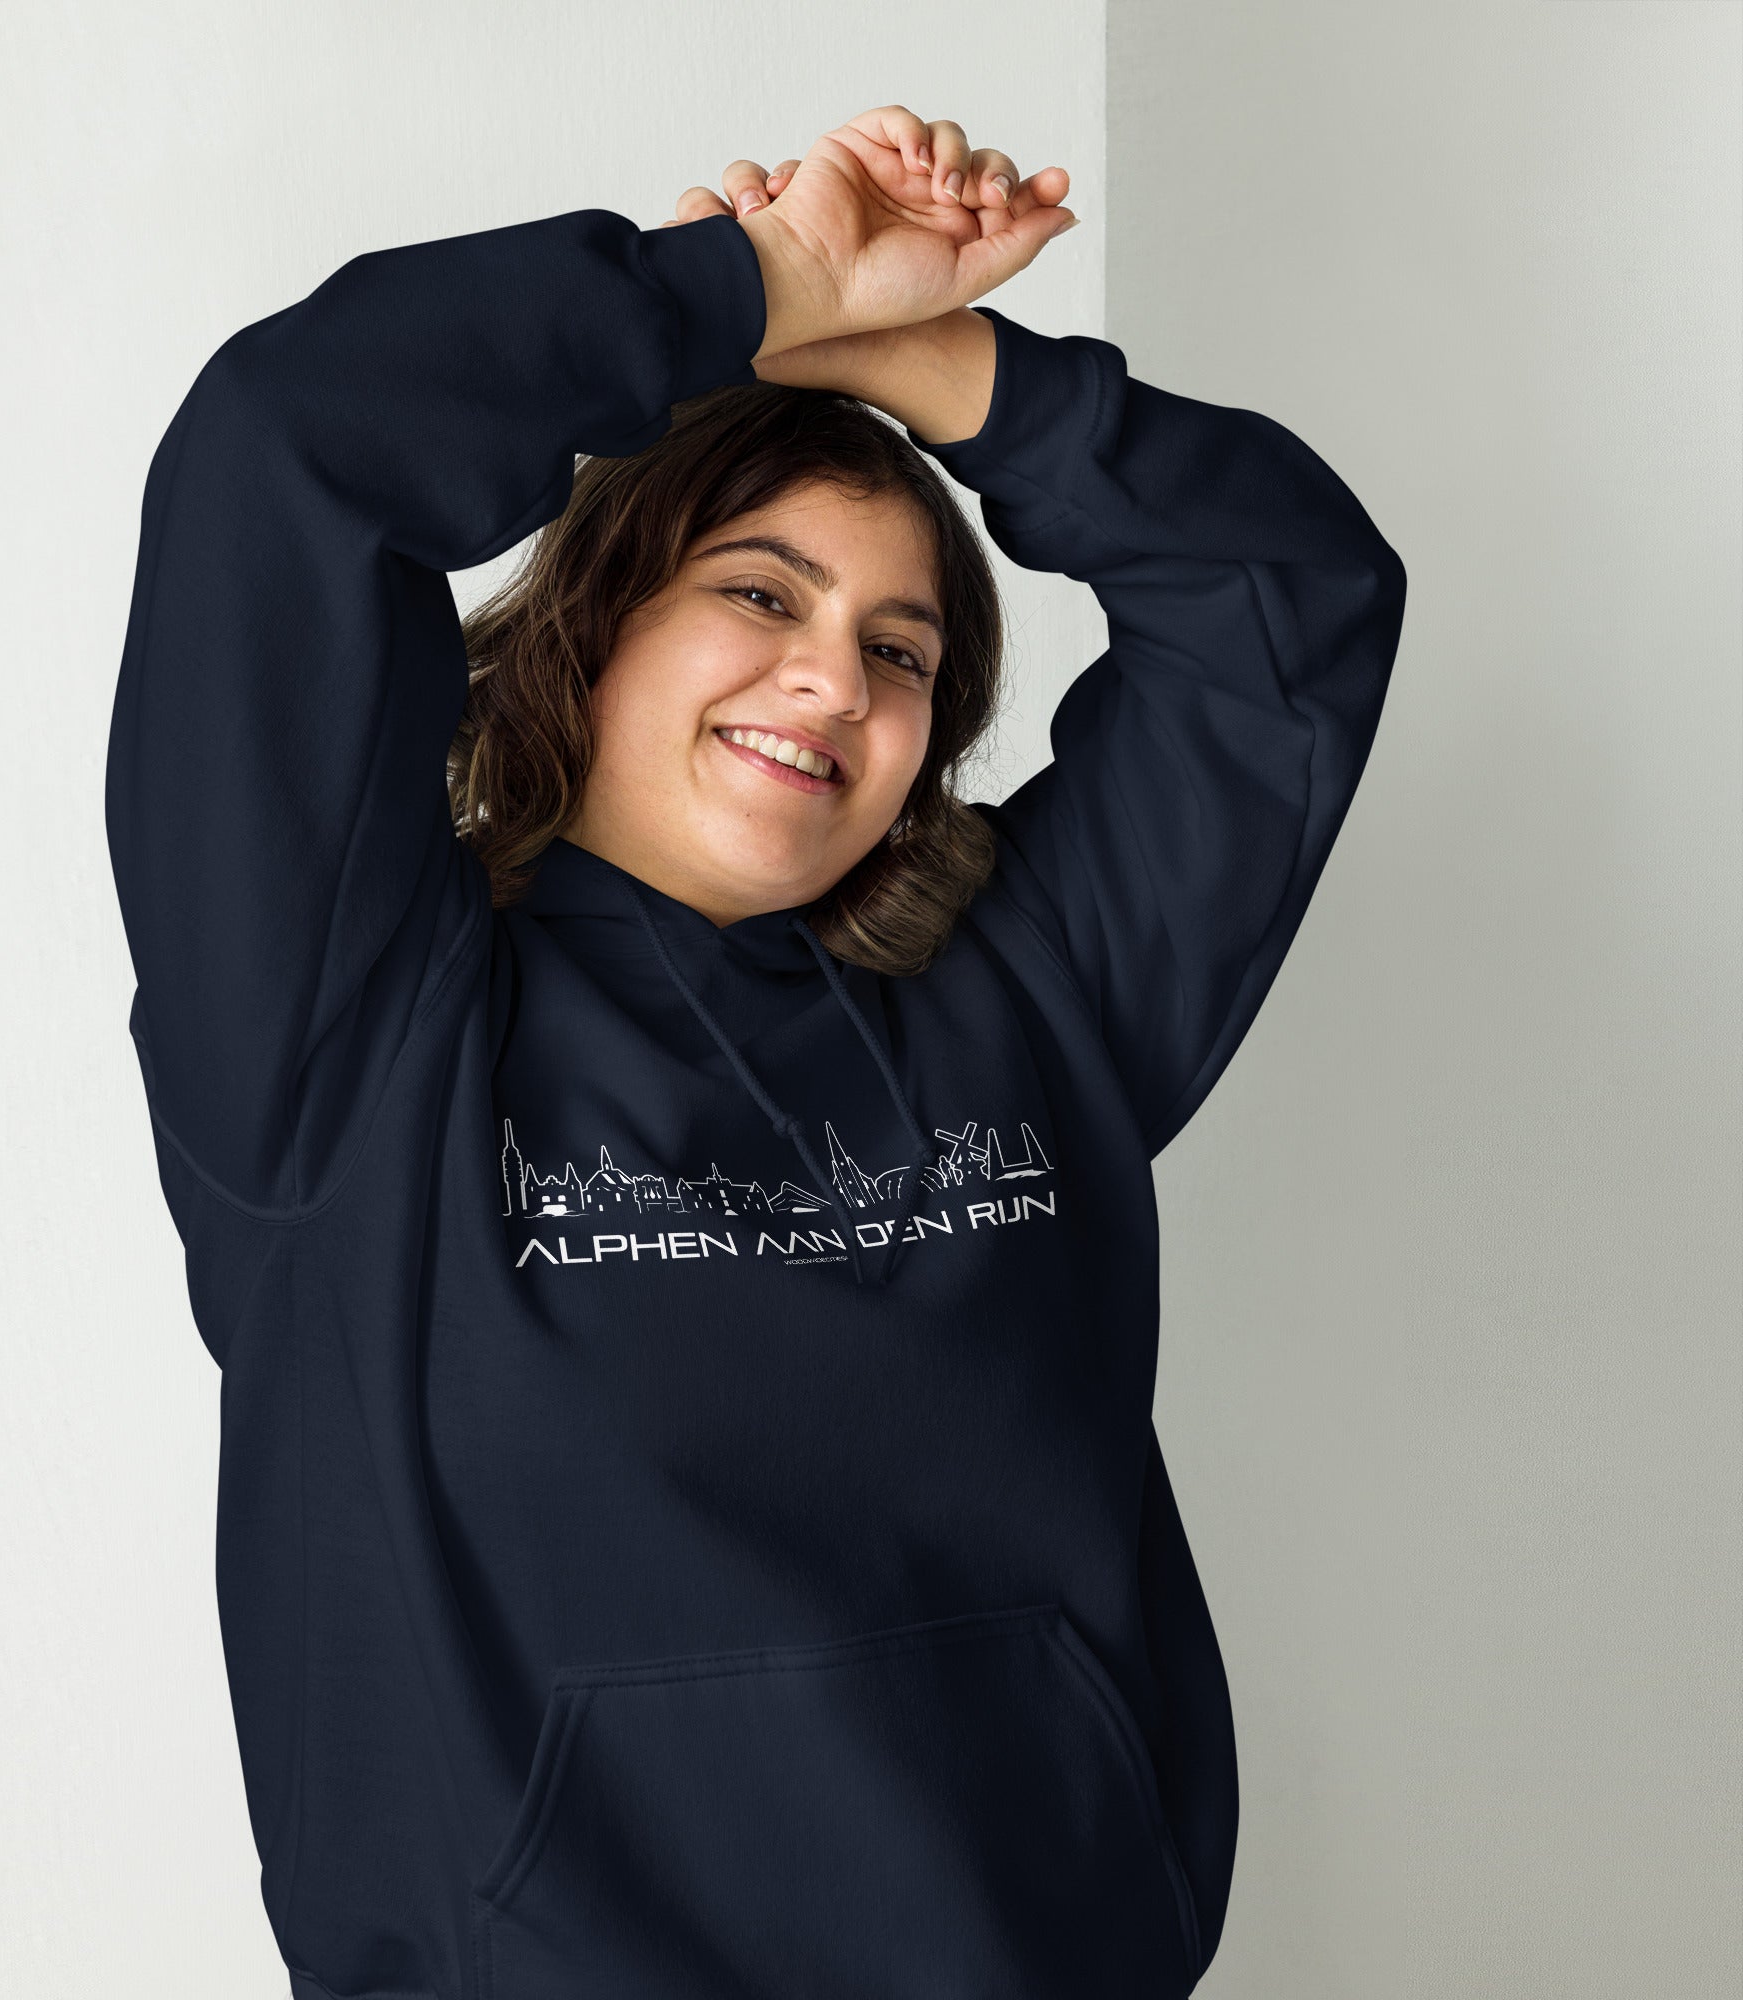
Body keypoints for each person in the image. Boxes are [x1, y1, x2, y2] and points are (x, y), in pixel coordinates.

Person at [106, 104, 1406, 2000]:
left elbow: (1288, 602)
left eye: (904, 650)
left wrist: (943, 368)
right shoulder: (350, 1037)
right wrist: (753, 290)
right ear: (597, 629)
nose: (834, 679)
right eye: (760, 591)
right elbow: (289, 445)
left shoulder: (1032, 996)